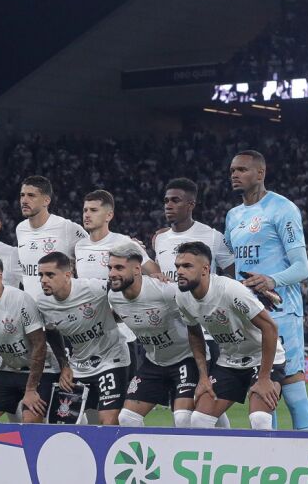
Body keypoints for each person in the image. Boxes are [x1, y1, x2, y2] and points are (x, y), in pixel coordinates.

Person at [225, 150, 308, 430]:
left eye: (242, 170)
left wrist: (270, 280)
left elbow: (302, 268)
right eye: (232, 171)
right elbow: (231, 265)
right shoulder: (232, 216)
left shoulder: (283, 209)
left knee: (292, 391)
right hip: (249, 315)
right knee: (263, 391)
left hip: (283, 312)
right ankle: (272, 463)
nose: (235, 175)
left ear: (260, 173)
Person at [175, 241, 286, 430]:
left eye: (187, 266)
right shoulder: (182, 296)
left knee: (259, 420)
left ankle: (266, 458)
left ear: (205, 269)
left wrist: (265, 378)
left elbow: (270, 328)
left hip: (263, 359)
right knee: (199, 420)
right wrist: (203, 377)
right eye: (177, 266)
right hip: (229, 362)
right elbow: (194, 335)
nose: (179, 271)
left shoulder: (230, 290)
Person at [154, 177, 235, 428]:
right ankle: (226, 444)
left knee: (203, 400)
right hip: (174, 333)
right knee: (203, 404)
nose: (168, 205)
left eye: (175, 200)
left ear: (191, 204)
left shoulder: (212, 237)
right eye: (166, 200)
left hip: (206, 332)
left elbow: (231, 276)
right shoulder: (159, 239)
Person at [107, 243, 198, 427]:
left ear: (137, 270)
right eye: (110, 268)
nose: (112, 273)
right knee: (127, 419)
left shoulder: (163, 290)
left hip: (185, 358)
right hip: (154, 362)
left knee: (184, 419)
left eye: (119, 268)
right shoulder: (114, 297)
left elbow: (196, 313)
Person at [74, 189, 160, 382]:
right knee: (89, 402)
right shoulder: (79, 246)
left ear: (109, 215)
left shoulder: (124, 243)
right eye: (85, 210)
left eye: (94, 210)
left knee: (122, 404)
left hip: (120, 335)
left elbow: (155, 275)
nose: (87, 214)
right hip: (89, 335)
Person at [37, 251, 130, 425]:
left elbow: (123, 287)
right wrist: (64, 366)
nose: (43, 280)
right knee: (67, 420)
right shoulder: (43, 302)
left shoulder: (92, 288)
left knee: (108, 420)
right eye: (40, 275)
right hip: (79, 364)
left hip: (111, 358)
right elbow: (51, 332)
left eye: (50, 275)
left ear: (67, 275)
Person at [0, 253, 60, 423]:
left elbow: (39, 344)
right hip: (8, 369)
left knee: (30, 420)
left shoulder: (20, 300)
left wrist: (30, 390)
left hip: (42, 371)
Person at [16, 175, 87, 298]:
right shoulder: (20, 229)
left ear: (46, 201)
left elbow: (95, 247)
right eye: (22, 195)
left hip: (61, 308)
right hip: (32, 309)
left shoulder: (66, 227)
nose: (24, 200)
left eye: (31, 195)